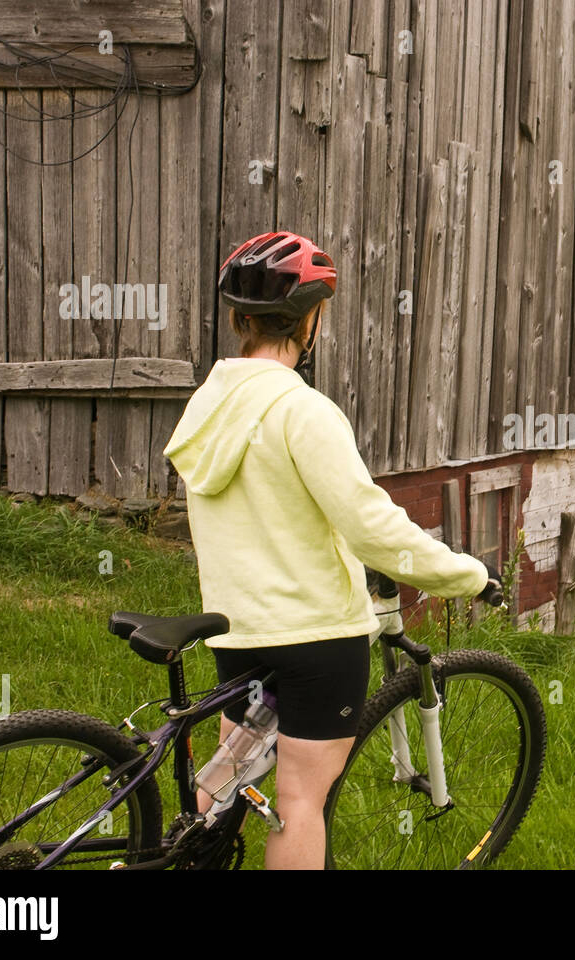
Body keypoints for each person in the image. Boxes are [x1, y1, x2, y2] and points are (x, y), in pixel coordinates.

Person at [164, 230, 498, 869]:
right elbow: (373, 527)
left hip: (236, 630)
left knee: (231, 775)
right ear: (308, 319)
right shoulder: (302, 410)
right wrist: (469, 575)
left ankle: (185, 854)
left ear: (239, 318)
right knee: (296, 801)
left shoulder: (207, 405)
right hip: (315, 639)